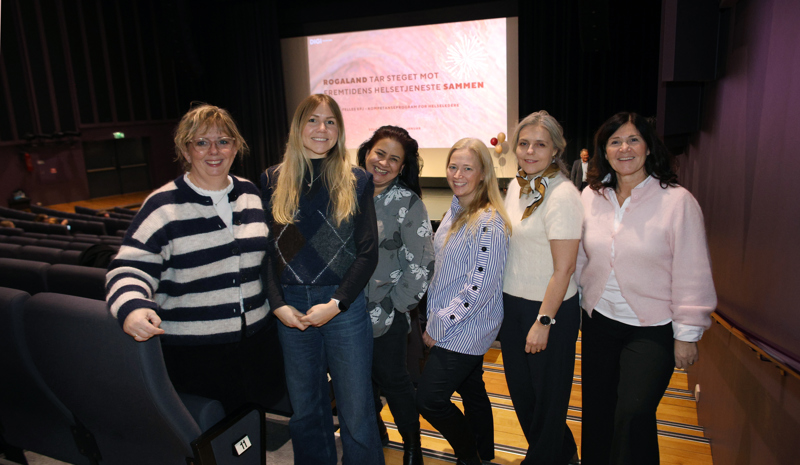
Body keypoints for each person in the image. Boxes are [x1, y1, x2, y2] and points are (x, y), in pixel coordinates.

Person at [105, 104, 272, 413]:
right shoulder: (162, 206)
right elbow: (128, 268)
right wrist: (133, 307)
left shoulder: (250, 194)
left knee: (254, 424)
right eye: (201, 142)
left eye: (223, 141)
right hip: (195, 353)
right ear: (185, 149)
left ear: (236, 147)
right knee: (215, 433)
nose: (214, 151)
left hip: (255, 345)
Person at [576, 112, 717, 465]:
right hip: (598, 322)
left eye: (633, 140)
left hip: (652, 328)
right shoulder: (590, 196)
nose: (624, 148)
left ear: (649, 147)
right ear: (604, 151)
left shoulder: (677, 201)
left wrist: (687, 334)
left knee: (633, 414)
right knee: (598, 412)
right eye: (615, 141)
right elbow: (579, 257)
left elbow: (692, 270)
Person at [261, 94, 383, 465]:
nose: (321, 129)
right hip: (291, 308)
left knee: (356, 412)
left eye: (330, 122)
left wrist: (335, 304)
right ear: (298, 126)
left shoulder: (357, 180)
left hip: (342, 306)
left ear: (339, 131)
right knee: (306, 411)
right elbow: (265, 252)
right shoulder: (271, 179)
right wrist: (278, 305)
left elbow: (367, 254)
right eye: (313, 120)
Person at [416, 138, 511, 465]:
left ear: (483, 173)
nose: (457, 175)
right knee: (472, 390)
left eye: (467, 168)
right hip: (452, 321)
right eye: (453, 167)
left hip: (463, 329)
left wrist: (438, 325)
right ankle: (483, 452)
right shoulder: (455, 210)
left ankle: (470, 457)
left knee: (430, 400)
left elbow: (478, 290)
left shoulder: (489, 223)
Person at [500, 111, 583, 465]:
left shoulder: (563, 195)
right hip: (513, 306)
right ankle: (563, 454)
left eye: (540, 144)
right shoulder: (515, 186)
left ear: (556, 150)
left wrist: (543, 321)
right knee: (524, 398)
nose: (530, 151)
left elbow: (564, 269)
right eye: (524, 143)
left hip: (549, 309)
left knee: (548, 401)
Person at [357, 126, 435, 465]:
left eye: (394, 159)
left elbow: (422, 264)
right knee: (357, 381)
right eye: (379, 153)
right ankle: (374, 432)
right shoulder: (346, 193)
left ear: (402, 167)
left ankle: (412, 445)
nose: (383, 163)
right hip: (342, 311)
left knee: (394, 381)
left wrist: (394, 306)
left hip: (386, 313)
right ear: (366, 152)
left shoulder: (408, 203)